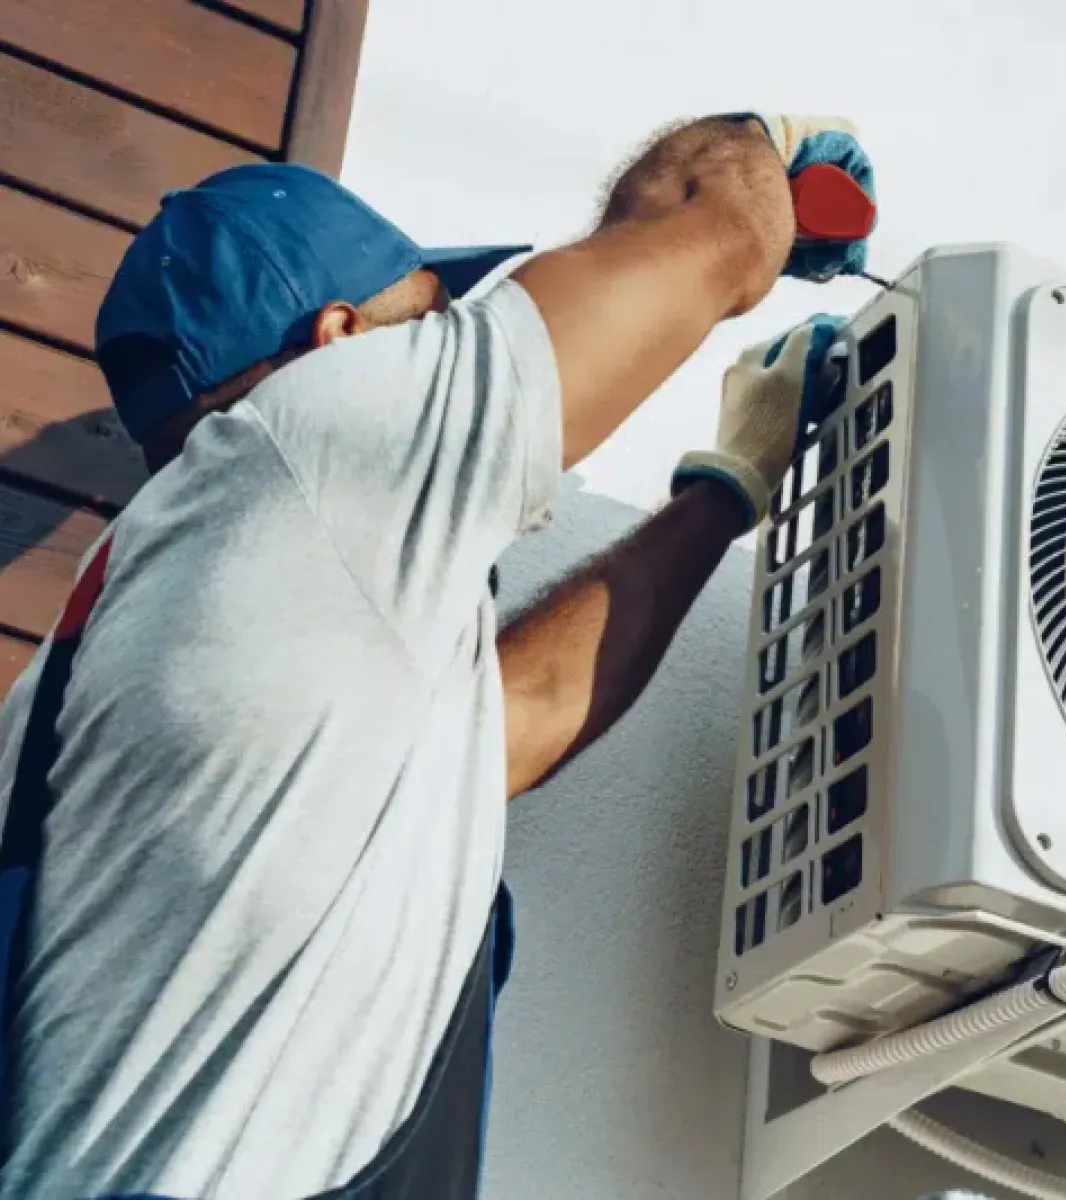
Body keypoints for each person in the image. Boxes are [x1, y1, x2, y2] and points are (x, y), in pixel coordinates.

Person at [0, 113, 872, 1199]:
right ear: (334, 345)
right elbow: (715, 224)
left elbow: (507, 720)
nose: (449, 336)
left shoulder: (150, 628)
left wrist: (727, 482)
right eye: (424, 319)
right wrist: (767, 140)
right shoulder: (304, 441)